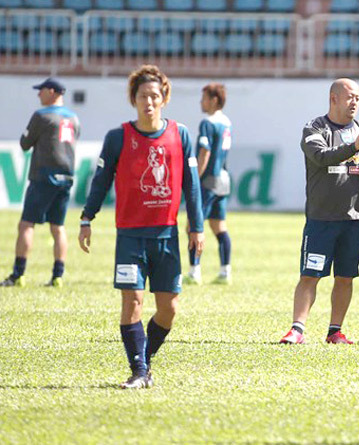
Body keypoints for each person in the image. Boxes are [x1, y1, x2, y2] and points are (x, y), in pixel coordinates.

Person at [79, 65, 204, 389]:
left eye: (154, 95)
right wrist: (87, 217)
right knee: (132, 301)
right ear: (133, 99)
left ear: (164, 98)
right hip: (130, 236)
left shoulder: (181, 134)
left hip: (166, 236)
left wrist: (197, 227)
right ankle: (138, 370)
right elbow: (101, 181)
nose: (148, 101)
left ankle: (144, 362)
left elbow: (192, 186)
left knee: (169, 310)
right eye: (142, 96)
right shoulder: (118, 137)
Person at [279, 78, 359, 345]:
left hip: (355, 215)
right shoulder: (315, 127)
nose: (355, 103)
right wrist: (355, 146)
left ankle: (335, 331)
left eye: (358, 98)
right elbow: (322, 157)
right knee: (310, 275)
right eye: (350, 97)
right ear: (334, 98)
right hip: (322, 216)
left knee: (345, 277)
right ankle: (297, 329)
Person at [1, 78, 80, 288]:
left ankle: (18, 274)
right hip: (67, 177)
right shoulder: (74, 118)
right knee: (58, 227)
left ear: (52, 92)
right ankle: (58, 276)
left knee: (26, 224)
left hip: (44, 176)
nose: (38, 95)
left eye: (41, 91)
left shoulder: (41, 116)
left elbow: (25, 144)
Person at [185, 82, 233, 285]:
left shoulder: (208, 123)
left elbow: (205, 152)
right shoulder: (227, 123)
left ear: (214, 100)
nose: (201, 102)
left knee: (192, 226)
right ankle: (225, 272)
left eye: (204, 98)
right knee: (219, 227)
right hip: (223, 179)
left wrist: (196, 177)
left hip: (208, 181)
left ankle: (194, 272)